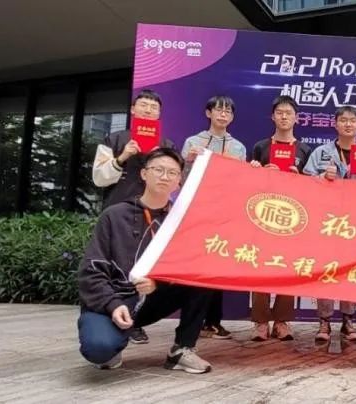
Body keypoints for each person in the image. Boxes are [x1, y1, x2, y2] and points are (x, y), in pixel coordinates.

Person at [77, 148, 213, 374]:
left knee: (203, 275)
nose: (164, 177)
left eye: (172, 173)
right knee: (99, 350)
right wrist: (112, 304)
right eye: (158, 170)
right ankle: (113, 340)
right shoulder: (114, 215)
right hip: (114, 299)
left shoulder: (180, 221)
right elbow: (91, 271)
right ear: (144, 174)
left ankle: (182, 349)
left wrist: (158, 282)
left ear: (178, 181)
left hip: (151, 298)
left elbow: (187, 265)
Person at [91, 88, 176, 345]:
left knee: (148, 266)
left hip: (155, 215)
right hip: (120, 213)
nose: (148, 110)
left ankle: (137, 319)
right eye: (144, 105)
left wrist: (160, 159)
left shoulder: (167, 144)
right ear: (133, 110)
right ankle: (114, 311)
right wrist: (124, 156)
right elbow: (99, 178)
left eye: (154, 107)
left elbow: (176, 180)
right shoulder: (114, 139)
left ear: (160, 113)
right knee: (120, 264)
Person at [303, 106, 356, 342]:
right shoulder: (321, 152)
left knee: (351, 271)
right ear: (335, 124)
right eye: (343, 120)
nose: (348, 124)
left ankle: (348, 321)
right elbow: (304, 183)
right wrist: (321, 178)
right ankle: (324, 322)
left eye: (352, 120)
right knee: (327, 270)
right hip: (327, 222)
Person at [181, 95, 247, 340]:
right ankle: (190, 322)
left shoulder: (238, 148)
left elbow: (241, 182)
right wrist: (188, 160)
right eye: (218, 110)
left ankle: (213, 321)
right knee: (194, 267)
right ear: (208, 113)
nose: (223, 114)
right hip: (196, 211)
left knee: (217, 265)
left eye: (228, 111)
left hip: (224, 213)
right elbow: (181, 178)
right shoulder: (192, 142)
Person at [248, 95, 313, 341]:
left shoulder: (305, 149)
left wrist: (299, 176)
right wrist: (260, 173)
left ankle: (282, 321)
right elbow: (249, 183)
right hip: (264, 214)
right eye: (280, 112)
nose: (284, 117)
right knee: (261, 268)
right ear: (273, 117)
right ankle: (260, 321)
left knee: (289, 267)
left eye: (289, 113)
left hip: (294, 217)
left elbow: (314, 186)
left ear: (297, 118)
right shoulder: (260, 146)